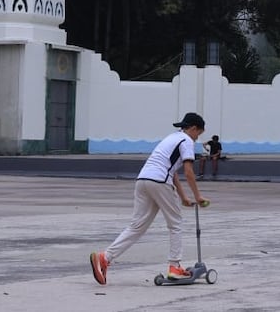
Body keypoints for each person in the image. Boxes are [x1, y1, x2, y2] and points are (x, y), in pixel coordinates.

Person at [89, 112, 210, 285]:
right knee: (175, 223)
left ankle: (105, 257)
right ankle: (175, 267)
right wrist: (197, 196)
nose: (197, 138)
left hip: (143, 180)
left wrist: (184, 197)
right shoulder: (187, 141)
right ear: (193, 128)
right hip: (160, 181)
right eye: (198, 134)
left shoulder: (171, 138)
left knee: (136, 226)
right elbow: (188, 171)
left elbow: (173, 172)